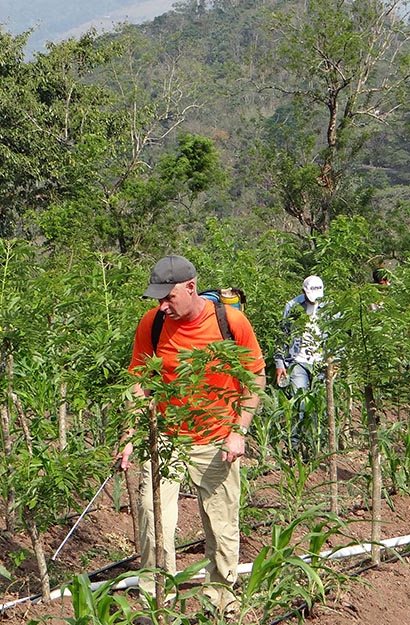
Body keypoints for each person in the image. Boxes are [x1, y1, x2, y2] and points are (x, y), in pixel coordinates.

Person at [115, 255, 266, 615]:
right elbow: (140, 384)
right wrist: (129, 436)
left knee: (221, 526)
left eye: (168, 298)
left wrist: (238, 430)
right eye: (157, 299)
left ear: (190, 287)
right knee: (154, 520)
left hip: (216, 440)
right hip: (166, 438)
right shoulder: (152, 324)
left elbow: (255, 376)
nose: (161, 306)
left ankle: (221, 602)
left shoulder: (230, 322)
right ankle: (156, 602)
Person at [274, 275, 327, 452]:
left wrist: (336, 361)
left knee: (320, 406)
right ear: (304, 291)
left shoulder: (330, 308)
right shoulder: (293, 306)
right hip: (298, 361)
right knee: (300, 404)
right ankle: (294, 446)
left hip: (322, 363)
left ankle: (316, 446)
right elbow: (282, 336)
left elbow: (337, 336)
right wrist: (279, 363)